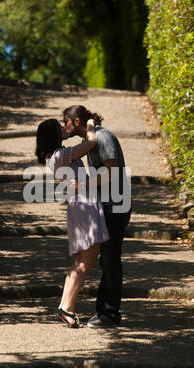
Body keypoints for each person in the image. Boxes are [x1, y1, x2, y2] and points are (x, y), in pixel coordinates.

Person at [35, 118, 109, 328]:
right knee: (86, 262)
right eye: (60, 126)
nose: (63, 128)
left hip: (81, 204)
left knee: (80, 261)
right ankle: (66, 309)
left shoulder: (55, 156)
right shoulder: (60, 156)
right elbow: (90, 144)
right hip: (84, 206)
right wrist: (91, 124)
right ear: (53, 135)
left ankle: (64, 307)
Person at [63, 105, 131, 328]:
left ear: (76, 121)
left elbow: (112, 171)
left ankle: (108, 314)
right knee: (107, 260)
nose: (65, 126)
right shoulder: (93, 139)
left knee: (110, 260)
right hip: (108, 205)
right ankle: (105, 312)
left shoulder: (103, 137)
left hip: (116, 206)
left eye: (66, 122)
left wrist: (81, 184)